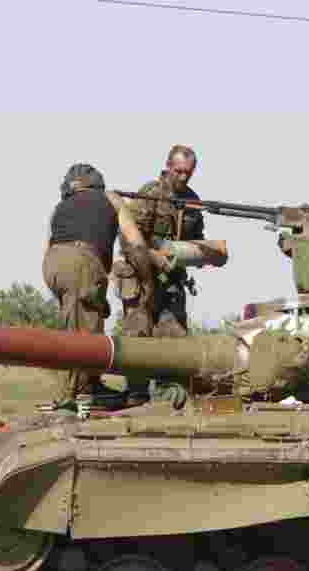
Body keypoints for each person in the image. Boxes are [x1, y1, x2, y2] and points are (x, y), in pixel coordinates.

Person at [42, 163, 151, 407]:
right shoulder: (111, 198)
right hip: (81, 260)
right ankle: (84, 392)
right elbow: (136, 244)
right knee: (86, 334)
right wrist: (146, 280)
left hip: (53, 264)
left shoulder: (59, 208)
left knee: (79, 325)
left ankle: (85, 386)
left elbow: (49, 247)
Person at [114, 145, 216, 402]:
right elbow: (129, 239)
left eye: (188, 172)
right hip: (141, 276)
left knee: (174, 337)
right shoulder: (150, 193)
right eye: (179, 171)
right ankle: (136, 394)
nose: (183, 176)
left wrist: (205, 254)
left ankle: (169, 392)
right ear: (168, 167)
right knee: (138, 334)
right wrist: (153, 257)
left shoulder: (192, 201)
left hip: (171, 281)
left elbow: (197, 239)